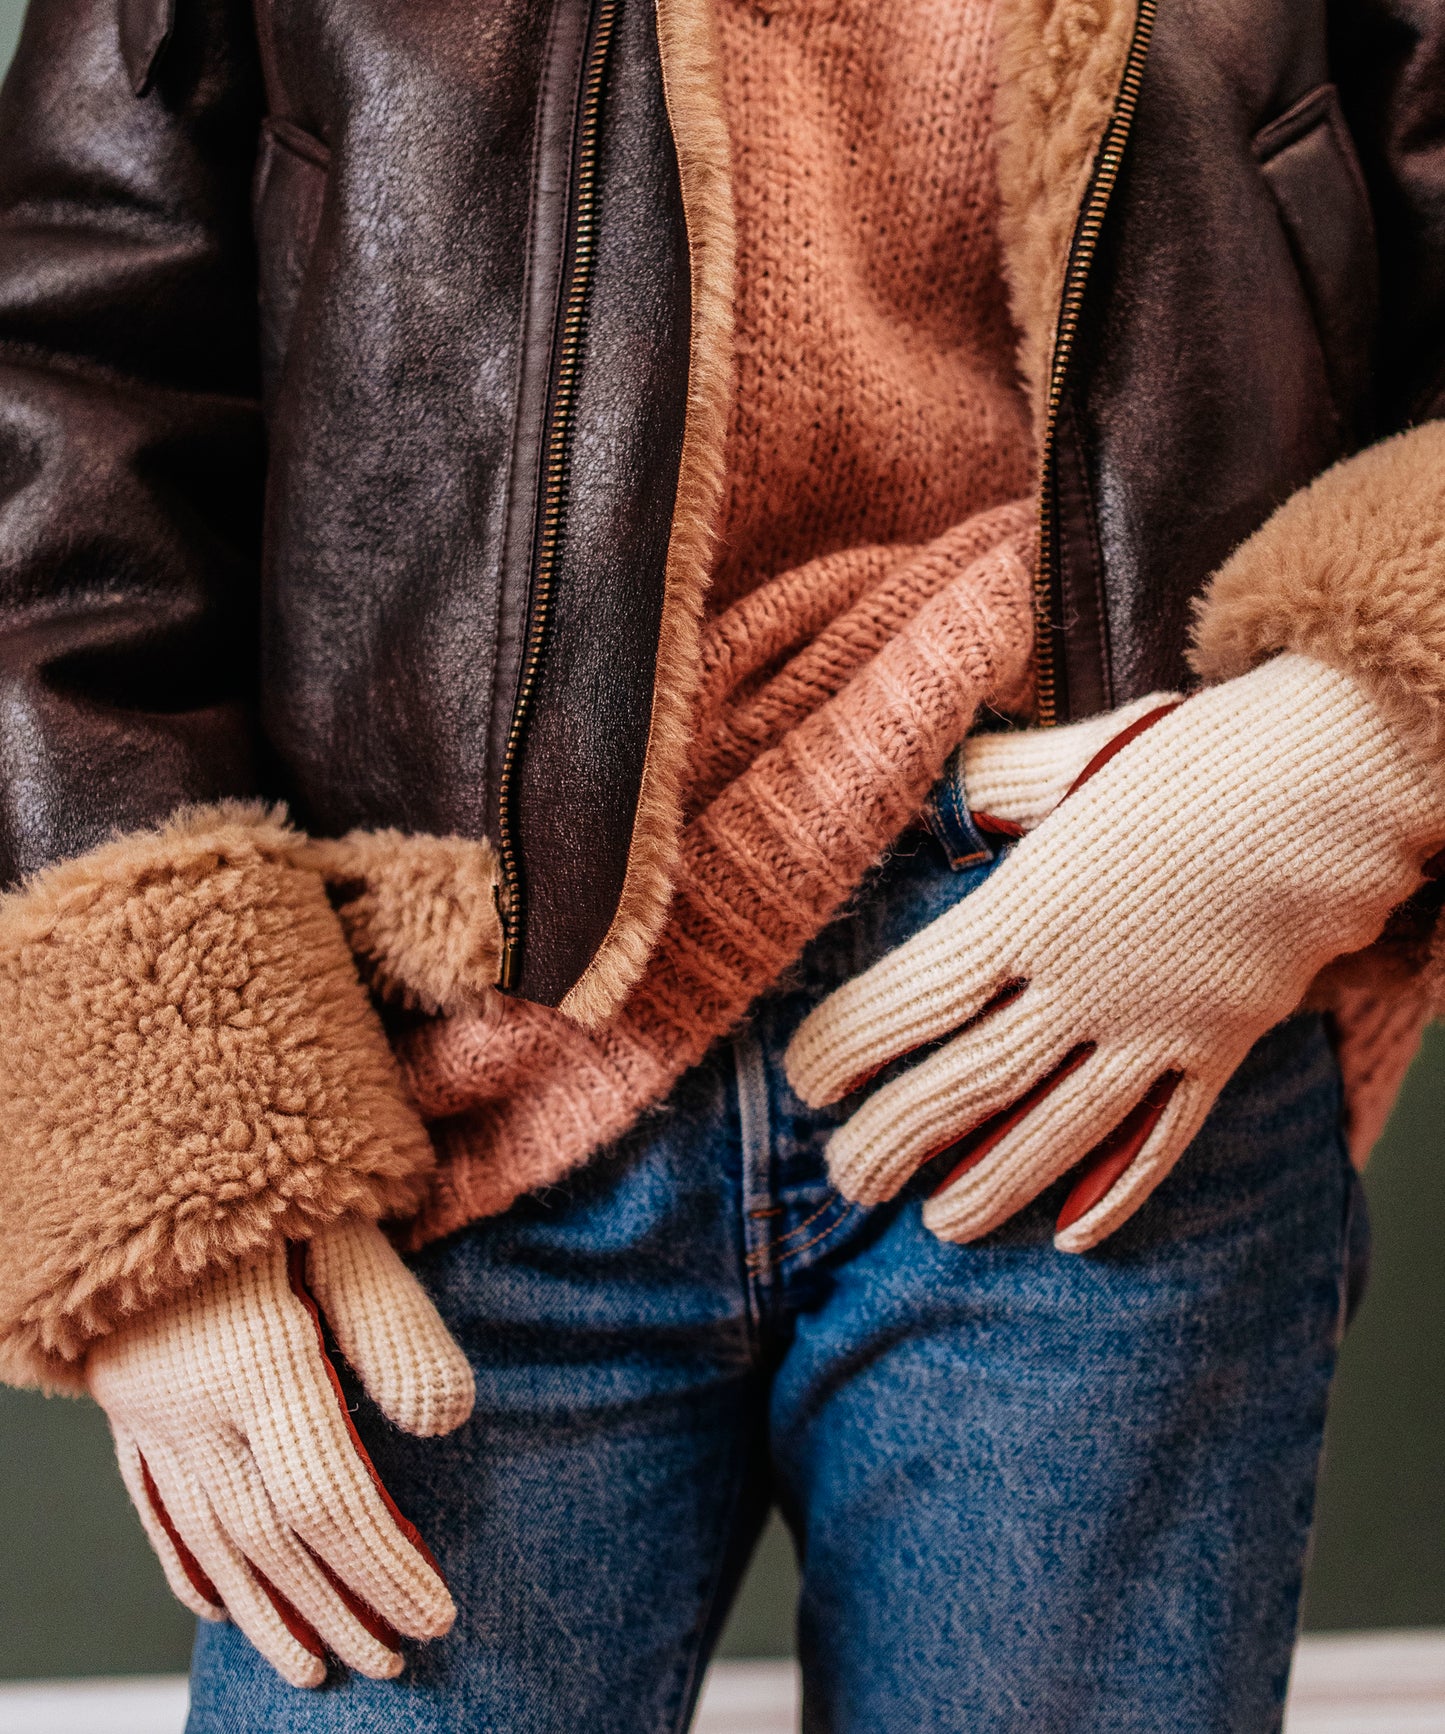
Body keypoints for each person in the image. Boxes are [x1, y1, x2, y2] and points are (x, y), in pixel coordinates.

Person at [0, 0, 1443, 1725]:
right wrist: (173, 1150)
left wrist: (1356, 738)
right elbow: (63, 401)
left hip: (1093, 980)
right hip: (438, 1071)